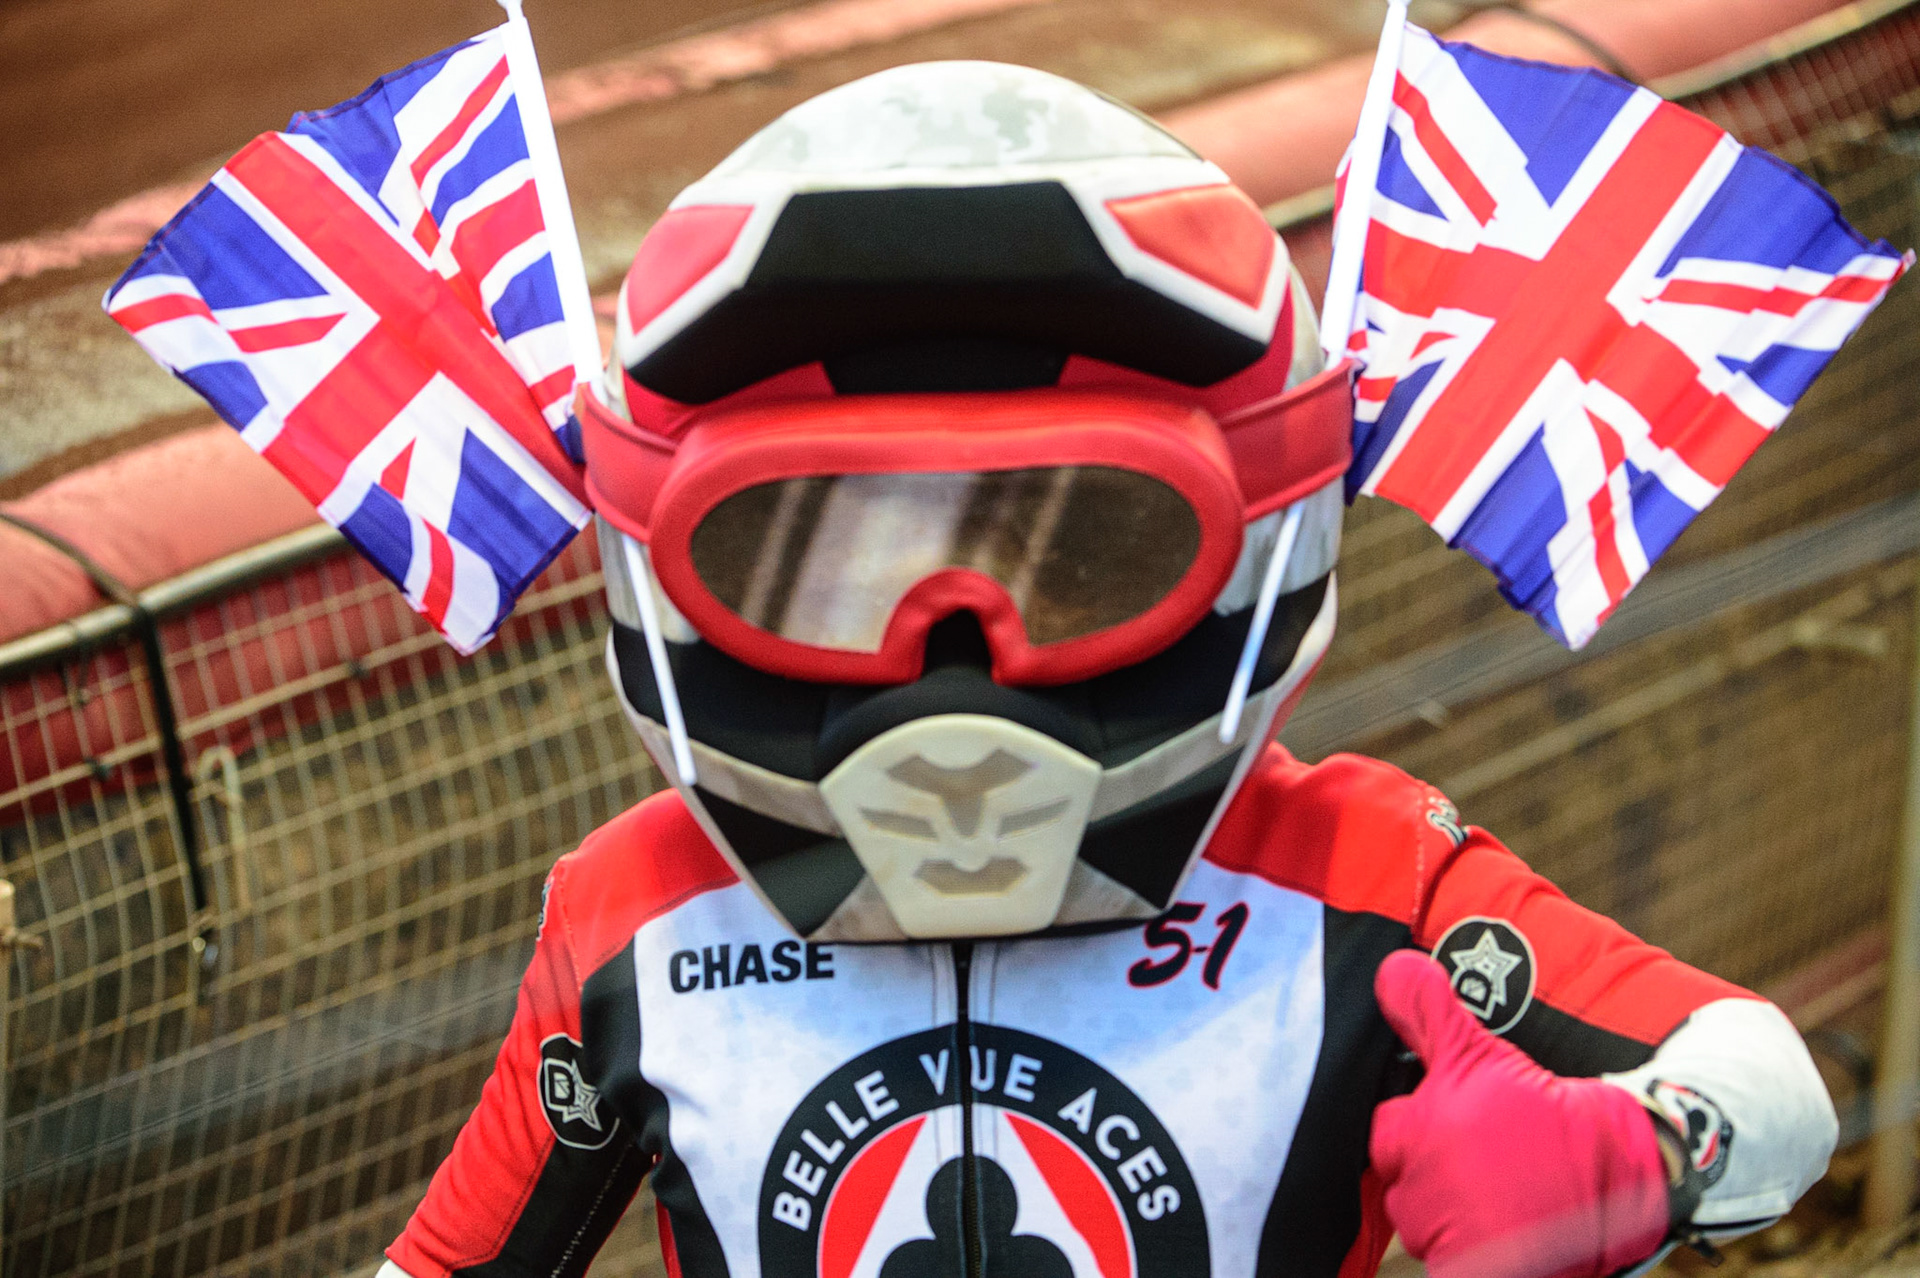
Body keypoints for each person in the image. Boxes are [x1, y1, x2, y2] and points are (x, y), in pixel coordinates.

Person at [377, 62, 1835, 1278]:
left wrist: (1634, 1150)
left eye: (1078, 543)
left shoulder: (1358, 875)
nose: (951, 641)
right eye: (820, 555)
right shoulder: (632, 913)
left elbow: (1763, 1079)